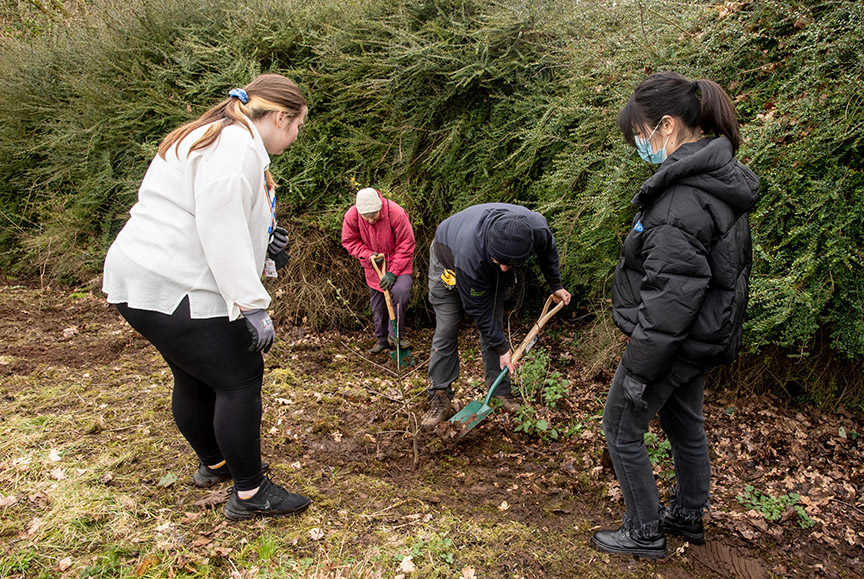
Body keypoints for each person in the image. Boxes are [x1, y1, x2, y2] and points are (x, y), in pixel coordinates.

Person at [102, 74, 312, 521]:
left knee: (195, 375)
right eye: (296, 126)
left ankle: (215, 463)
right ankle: (251, 493)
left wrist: (268, 245)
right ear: (279, 116)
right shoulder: (236, 149)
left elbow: (217, 215)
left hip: (140, 277)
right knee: (239, 378)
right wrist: (253, 305)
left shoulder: (211, 134)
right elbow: (221, 231)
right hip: (178, 283)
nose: (296, 136)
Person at [590, 72, 760, 559]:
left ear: (665, 126)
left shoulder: (678, 199)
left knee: (621, 426)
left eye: (640, 134)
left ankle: (644, 531)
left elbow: (671, 299)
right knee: (685, 424)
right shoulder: (718, 181)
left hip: (674, 340)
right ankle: (687, 514)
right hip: (703, 336)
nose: (639, 144)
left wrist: (641, 369)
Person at [423, 203, 572, 428]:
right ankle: (440, 395)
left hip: (484, 263)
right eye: (499, 261)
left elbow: (548, 252)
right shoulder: (469, 252)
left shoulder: (537, 231)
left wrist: (555, 284)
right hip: (449, 263)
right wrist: (503, 348)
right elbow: (478, 310)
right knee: (447, 328)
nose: (504, 268)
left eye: (510, 263)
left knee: (496, 326)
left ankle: (500, 391)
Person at [341, 188, 415, 354]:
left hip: (399, 262)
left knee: (400, 292)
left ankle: (395, 336)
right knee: (378, 305)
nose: (370, 219)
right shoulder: (352, 216)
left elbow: (406, 243)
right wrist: (368, 255)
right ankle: (382, 340)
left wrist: (393, 272)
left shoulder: (395, 213)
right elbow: (349, 241)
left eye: (373, 214)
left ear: (380, 207)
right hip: (374, 264)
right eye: (366, 216)